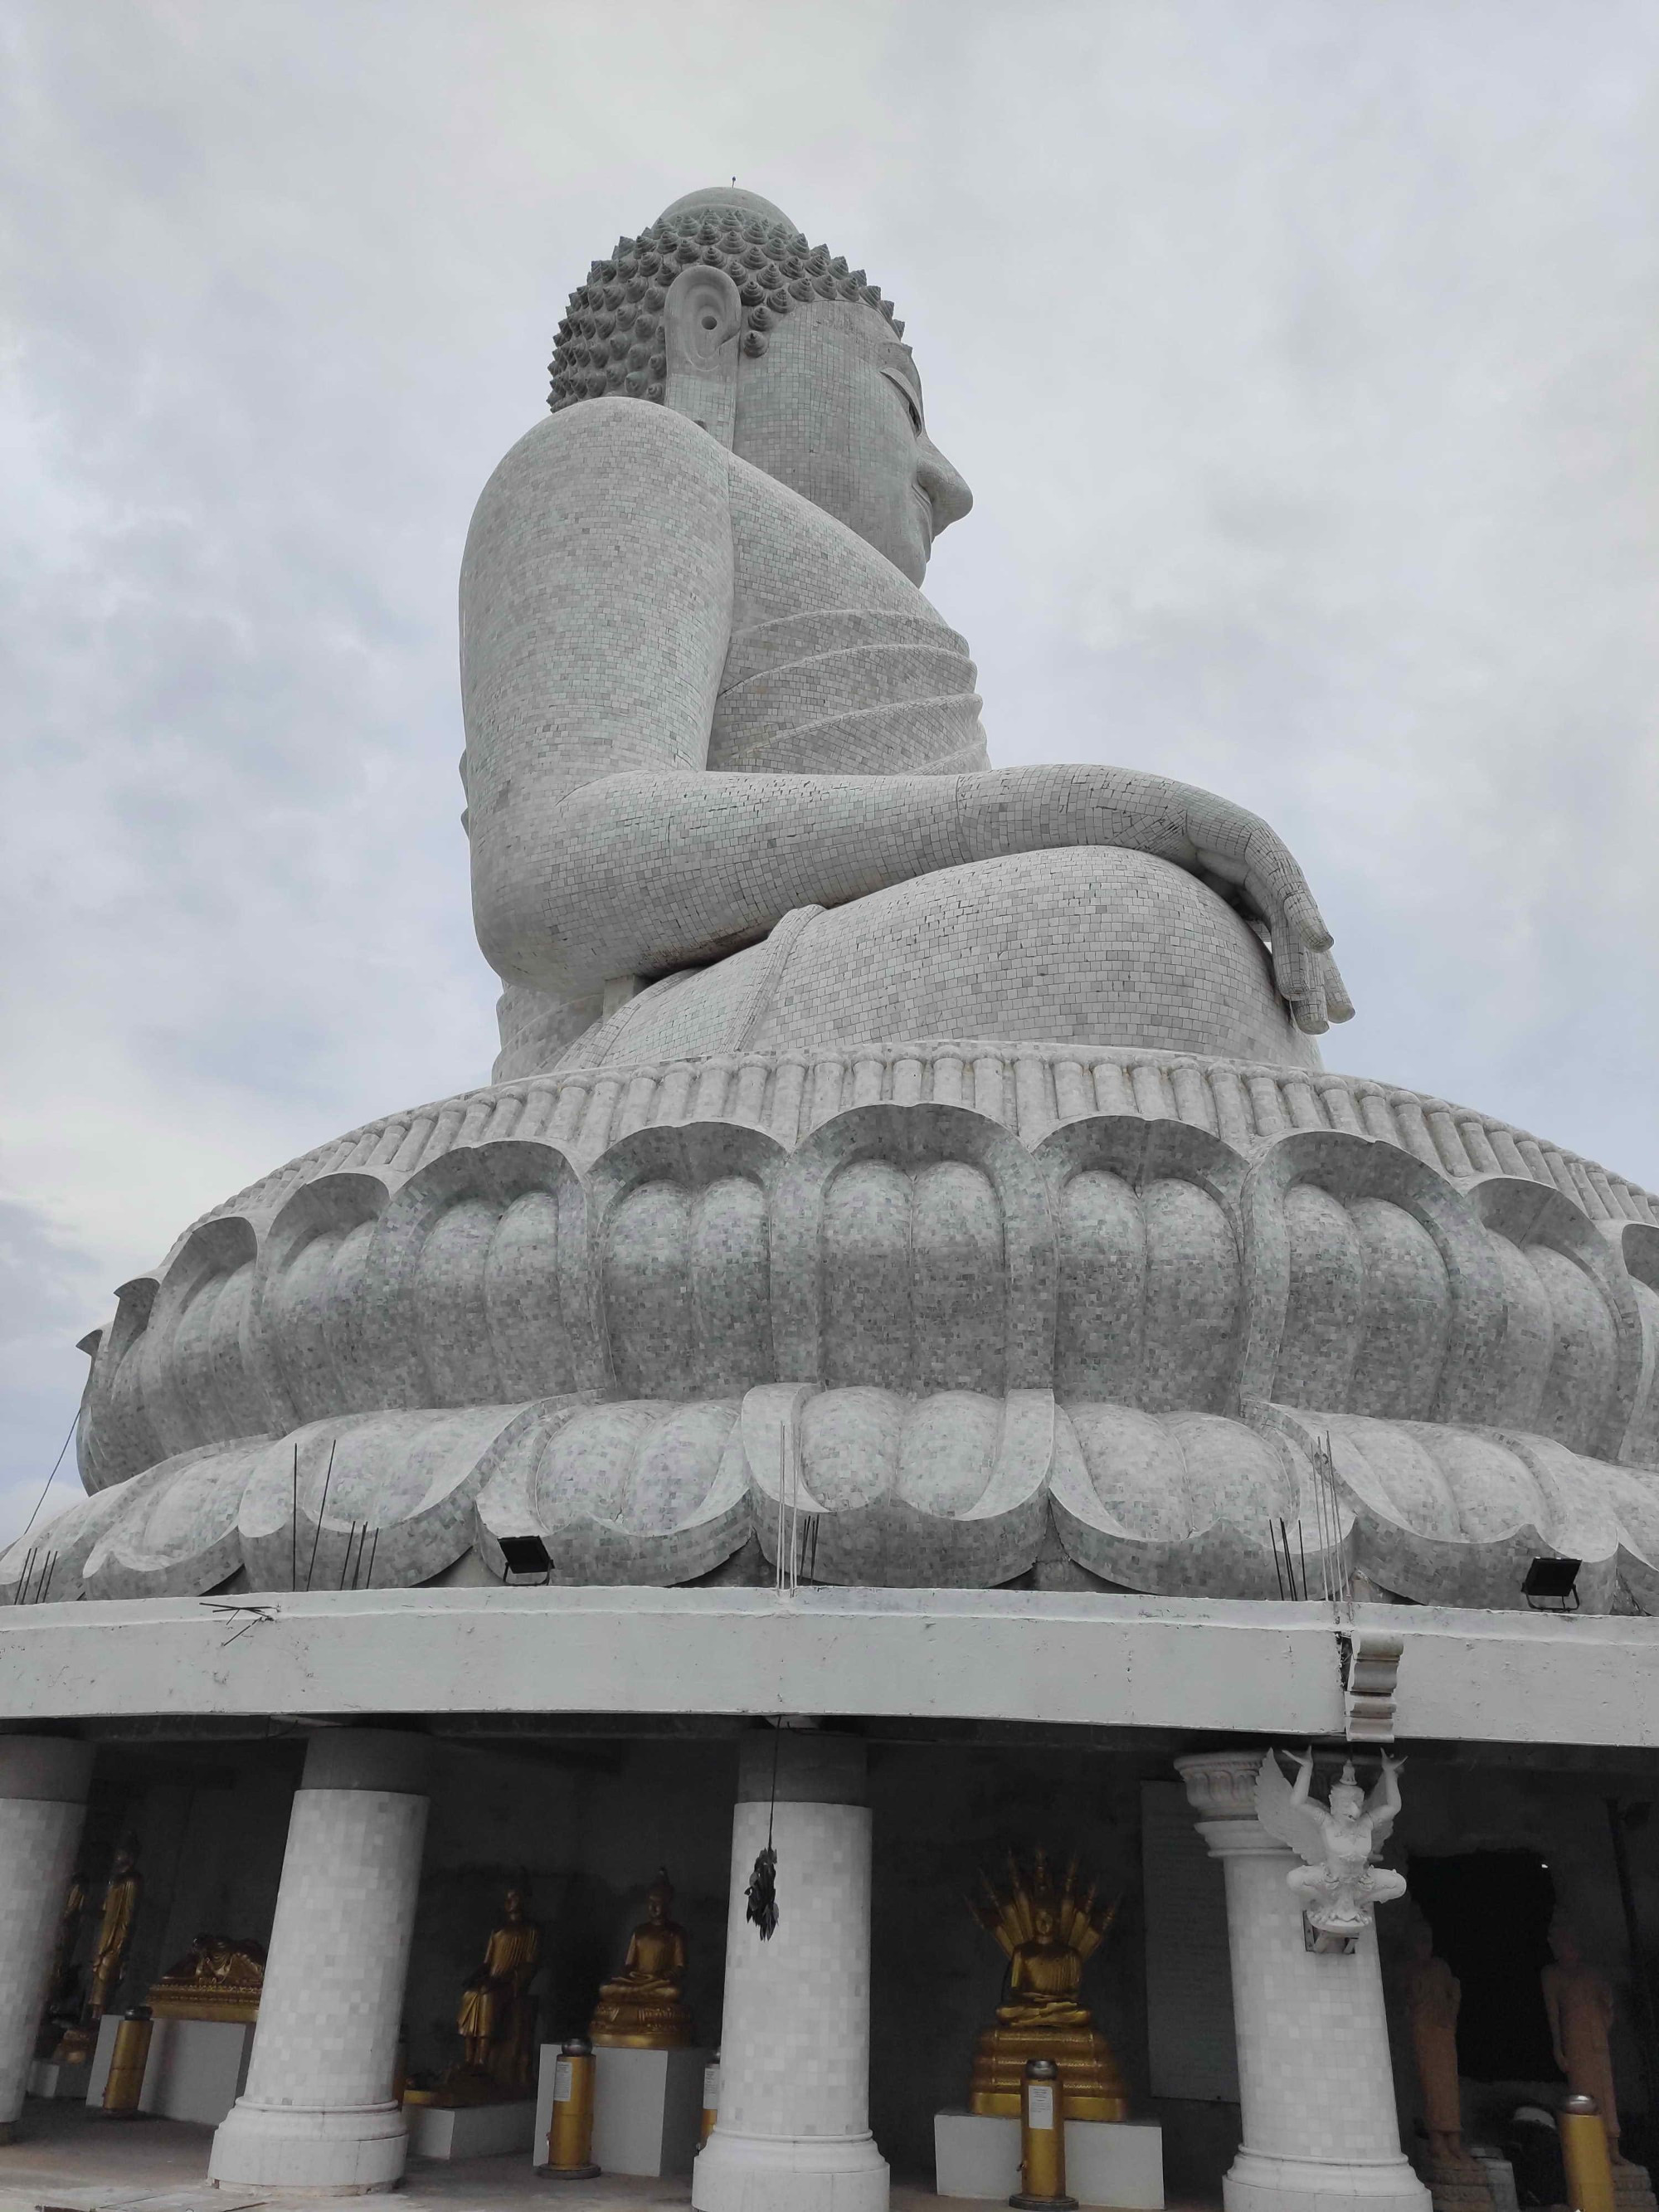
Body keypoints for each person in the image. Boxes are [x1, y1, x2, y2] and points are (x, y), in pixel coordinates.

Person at [460, 186, 1351, 1084]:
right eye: (903, 404)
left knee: (1201, 960)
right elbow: (548, 880)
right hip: (638, 1056)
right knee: (1153, 934)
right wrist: (1080, 812)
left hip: (824, 991)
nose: (946, 482)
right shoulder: (615, 452)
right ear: (709, 333)